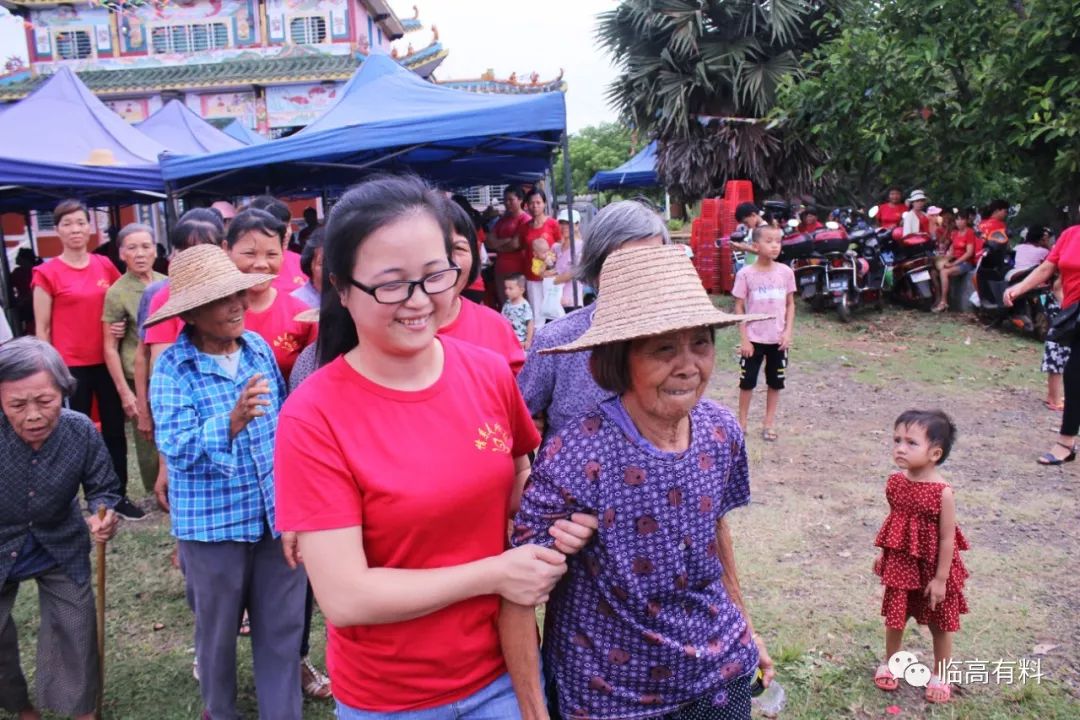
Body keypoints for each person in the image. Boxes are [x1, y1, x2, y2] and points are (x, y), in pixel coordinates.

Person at [273, 175, 597, 719]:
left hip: (505, 670)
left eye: (434, 276)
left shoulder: (489, 373)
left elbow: (518, 486)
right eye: (392, 284)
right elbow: (347, 598)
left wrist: (564, 518)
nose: (420, 301)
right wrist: (493, 574)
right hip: (393, 699)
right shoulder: (313, 417)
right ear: (343, 289)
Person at [501, 245, 774, 720]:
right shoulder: (579, 453)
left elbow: (715, 530)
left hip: (717, 673)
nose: (688, 365)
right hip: (613, 696)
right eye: (664, 348)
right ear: (620, 359)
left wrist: (746, 625)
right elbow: (517, 594)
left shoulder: (720, 430)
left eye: (701, 343)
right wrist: (534, 712)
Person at [146, 244, 306, 720]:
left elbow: (282, 430)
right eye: (222, 299)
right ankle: (220, 711)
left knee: (281, 630)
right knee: (216, 637)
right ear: (192, 313)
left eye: (238, 294)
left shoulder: (257, 348)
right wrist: (230, 422)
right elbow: (176, 447)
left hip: (275, 520)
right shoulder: (173, 369)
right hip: (212, 530)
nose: (238, 304)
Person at [0, 337, 120, 720]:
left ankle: (81, 709)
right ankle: (20, 708)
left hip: (59, 541)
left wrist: (103, 513)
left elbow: (103, 487)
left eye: (45, 401)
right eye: (17, 405)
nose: (33, 415)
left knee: (75, 624)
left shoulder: (80, 430)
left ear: (64, 392)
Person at [518, 200, 669, 443]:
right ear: (596, 267)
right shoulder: (556, 342)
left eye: (653, 264)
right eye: (625, 265)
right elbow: (518, 420)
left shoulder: (681, 338)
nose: (640, 276)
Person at [30, 200, 138, 519]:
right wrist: (46, 371)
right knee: (75, 434)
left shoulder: (104, 265)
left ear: (89, 228)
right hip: (69, 367)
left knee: (115, 432)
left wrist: (121, 324)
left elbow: (122, 301)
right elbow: (42, 328)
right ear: (58, 229)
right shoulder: (46, 273)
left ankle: (117, 496)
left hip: (107, 361)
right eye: (67, 224)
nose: (75, 229)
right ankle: (81, 501)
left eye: (81, 223)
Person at [873, 410, 968, 705]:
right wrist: (885, 557)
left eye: (911, 443)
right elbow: (895, 524)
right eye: (897, 440)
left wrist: (940, 579)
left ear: (935, 453)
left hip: (932, 566)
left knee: (940, 621)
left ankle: (941, 673)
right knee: (895, 615)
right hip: (902, 562)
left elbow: (947, 538)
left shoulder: (943, 493)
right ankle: (891, 662)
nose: (900, 447)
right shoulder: (895, 483)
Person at [1004, 224, 1080, 464]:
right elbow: (1048, 267)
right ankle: (1066, 442)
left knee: (1074, 373)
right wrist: (1019, 288)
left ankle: (1065, 442)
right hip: (1074, 314)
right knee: (1074, 374)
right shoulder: (1071, 234)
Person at [102, 223, 165, 496]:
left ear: (155, 249)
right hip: (137, 374)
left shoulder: (167, 282)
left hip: (167, 369)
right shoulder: (117, 292)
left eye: (145, 246)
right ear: (121, 254)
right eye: (132, 248)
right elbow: (109, 347)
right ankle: (157, 490)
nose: (140, 253)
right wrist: (125, 392)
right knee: (147, 435)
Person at [225, 208, 316, 383]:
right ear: (227, 250)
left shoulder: (302, 316)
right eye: (250, 253)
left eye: (272, 254)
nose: (261, 264)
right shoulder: (208, 314)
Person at [439, 199, 526, 374]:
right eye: (437, 247)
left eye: (459, 248)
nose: (449, 261)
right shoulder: (389, 331)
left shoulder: (496, 328)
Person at [733, 225, 795, 440]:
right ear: (756, 246)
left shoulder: (786, 272)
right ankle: (741, 424)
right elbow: (739, 307)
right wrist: (744, 339)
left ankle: (768, 424)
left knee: (775, 382)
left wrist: (788, 332)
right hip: (753, 339)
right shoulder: (745, 274)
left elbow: (790, 304)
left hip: (777, 339)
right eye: (769, 241)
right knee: (747, 382)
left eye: (778, 241)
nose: (774, 246)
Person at [245, 196, 307, 292]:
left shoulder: (299, 261)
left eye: (288, 225)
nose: (286, 233)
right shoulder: (247, 268)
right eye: (279, 227)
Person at [519, 189, 561, 328]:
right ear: (527, 205)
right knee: (537, 314)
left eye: (538, 202)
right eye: (531, 203)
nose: (535, 206)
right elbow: (523, 248)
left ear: (544, 204)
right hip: (532, 276)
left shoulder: (553, 224)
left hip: (551, 277)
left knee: (554, 311)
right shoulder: (525, 227)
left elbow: (561, 248)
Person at [487, 186, 530, 306]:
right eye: (505, 200)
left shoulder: (525, 219)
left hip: (518, 268)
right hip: (501, 268)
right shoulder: (503, 220)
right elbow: (489, 241)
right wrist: (506, 240)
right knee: (505, 304)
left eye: (511, 200)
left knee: (519, 305)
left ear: (520, 200)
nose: (507, 203)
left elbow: (515, 244)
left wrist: (497, 245)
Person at [932, 211, 976, 313]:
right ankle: (937, 298)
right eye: (957, 219)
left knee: (944, 272)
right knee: (934, 273)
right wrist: (945, 258)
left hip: (966, 262)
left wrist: (953, 264)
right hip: (955, 260)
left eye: (962, 219)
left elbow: (969, 253)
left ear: (966, 221)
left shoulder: (970, 232)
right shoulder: (955, 233)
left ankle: (944, 302)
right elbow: (952, 250)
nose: (959, 222)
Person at [1042, 276, 1069, 412]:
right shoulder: (1063, 279)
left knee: (1057, 360)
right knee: (1058, 360)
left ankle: (1052, 396)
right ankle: (1055, 400)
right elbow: (1057, 288)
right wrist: (1070, 308)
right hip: (1063, 322)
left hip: (1060, 321)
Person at [553, 208, 581, 312]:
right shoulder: (555, 247)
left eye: (568, 223)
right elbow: (543, 271)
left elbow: (573, 273)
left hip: (571, 301)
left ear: (577, 225)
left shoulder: (581, 246)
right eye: (561, 223)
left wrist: (551, 282)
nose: (564, 227)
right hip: (554, 302)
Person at [291, 227, 324, 309]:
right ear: (310, 265)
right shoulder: (294, 302)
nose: (331, 269)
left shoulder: (353, 300)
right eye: (323, 263)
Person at [502, 273, 533, 349]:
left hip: (520, 342)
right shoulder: (507, 303)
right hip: (507, 339)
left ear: (521, 290)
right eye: (506, 288)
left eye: (510, 288)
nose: (507, 291)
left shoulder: (525, 305)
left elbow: (530, 324)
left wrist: (528, 341)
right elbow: (502, 319)